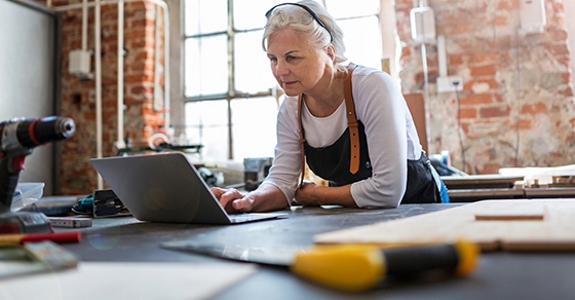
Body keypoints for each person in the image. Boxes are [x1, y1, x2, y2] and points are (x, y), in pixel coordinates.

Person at [211, 0, 447, 213]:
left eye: (292, 57)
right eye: (273, 59)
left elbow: (388, 191)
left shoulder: (373, 87)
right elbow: (282, 183)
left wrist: (315, 194)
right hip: (356, 218)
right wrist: (250, 199)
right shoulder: (291, 107)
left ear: (329, 53)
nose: (279, 70)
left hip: (420, 211)